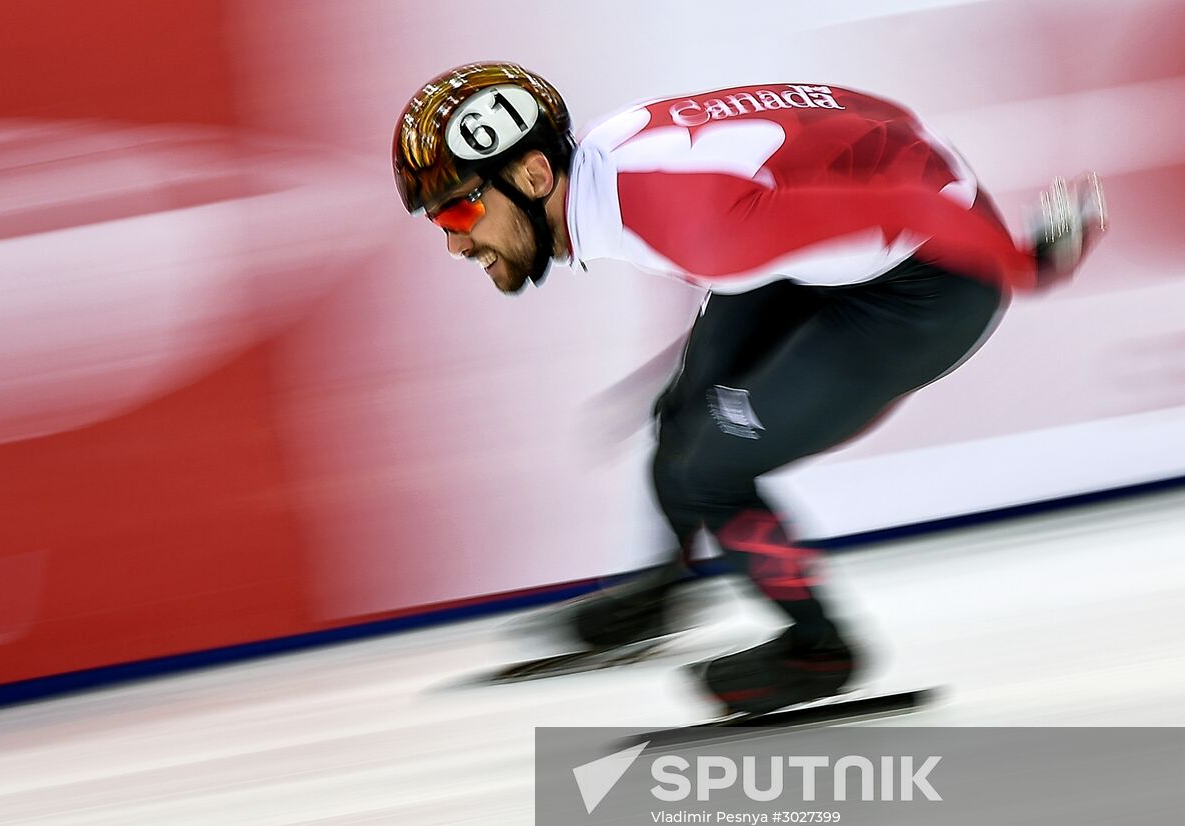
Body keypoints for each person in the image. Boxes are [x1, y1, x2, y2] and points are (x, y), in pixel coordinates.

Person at [391, 62, 1105, 715]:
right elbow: (795, 140)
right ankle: (657, 595)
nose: (456, 243)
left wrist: (1023, 261)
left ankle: (820, 649)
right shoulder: (612, 163)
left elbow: (899, 207)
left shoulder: (701, 226)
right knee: (679, 417)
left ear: (537, 174)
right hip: (829, 232)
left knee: (711, 469)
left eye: (459, 212)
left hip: (932, 283)